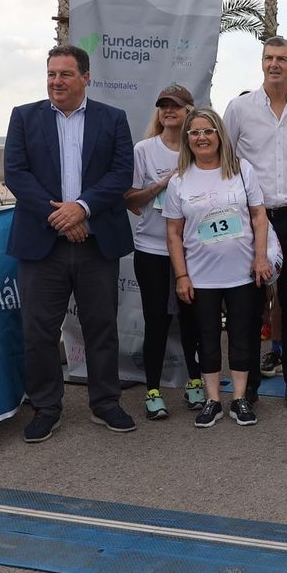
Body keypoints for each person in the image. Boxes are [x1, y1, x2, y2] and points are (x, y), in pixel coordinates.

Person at [4, 46, 136, 443]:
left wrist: (81, 208)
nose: (56, 81)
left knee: (101, 326)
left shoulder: (113, 119)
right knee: (39, 330)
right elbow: (16, 174)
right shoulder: (24, 117)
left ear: (85, 77)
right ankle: (46, 406)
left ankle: (105, 402)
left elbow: (120, 173)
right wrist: (61, 217)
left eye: (64, 74)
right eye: (50, 74)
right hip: (42, 242)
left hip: (96, 241)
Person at [165, 107, 274, 428]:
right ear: (188, 139)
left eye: (208, 131)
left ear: (219, 135)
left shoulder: (242, 170)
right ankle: (213, 400)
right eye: (195, 132)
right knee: (207, 339)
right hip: (200, 276)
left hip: (242, 271)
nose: (202, 138)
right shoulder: (179, 181)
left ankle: (240, 398)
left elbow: (258, 215)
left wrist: (260, 257)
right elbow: (173, 232)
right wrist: (181, 275)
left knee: (242, 335)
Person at [224, 37, 287, 409]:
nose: (274, 64)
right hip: (251, 220)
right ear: (261, 63)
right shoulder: (239, 108)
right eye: (268, 58)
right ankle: (250, 387)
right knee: (248, 305)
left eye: (281, 59)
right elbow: (227, 162)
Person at [126, 85, 204, 419]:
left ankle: (195, 382)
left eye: (175, 106)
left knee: (192, 320)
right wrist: (162, 185)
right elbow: (129, 200)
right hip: (152, 248)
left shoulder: (199, 147)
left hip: (194, 250)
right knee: (156, 320)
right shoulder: (144, 150)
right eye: (162, 105)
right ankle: (153, 390)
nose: (168, 111)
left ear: (189, 110)